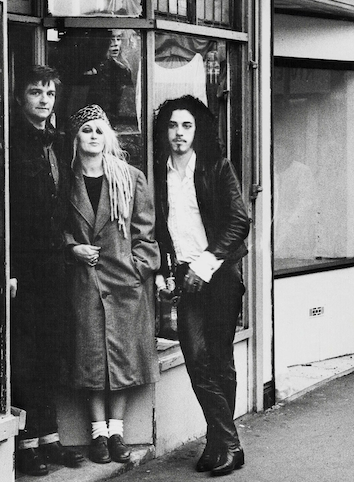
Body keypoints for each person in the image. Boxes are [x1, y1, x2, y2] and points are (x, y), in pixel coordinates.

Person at [153, 96, 250, 477]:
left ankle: (222, 443)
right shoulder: (158, 171)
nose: (179, 133)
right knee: (197, 359)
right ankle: (226, 442)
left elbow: (239, 221)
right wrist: (163, 270)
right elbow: (158, 228)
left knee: (220, 360)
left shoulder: (215, 166)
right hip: (184, 278)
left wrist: (206, 265)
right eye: (173, 126)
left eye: (187, 126)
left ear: (197, 131)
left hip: (220, 276)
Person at [65, 104, 159, 464]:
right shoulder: (65, 178)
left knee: (122, 360)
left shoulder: (130, 178)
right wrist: (71, 248)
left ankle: (117, 432)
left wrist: (138, 268)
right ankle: (97, 435)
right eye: (86, 129)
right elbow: (54, 226)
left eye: (98, 130)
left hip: (124, 282)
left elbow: (146, 232)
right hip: (84, 283)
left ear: (108, 137)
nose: (92, 135)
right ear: (76, 137)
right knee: (90, 360)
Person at [9, 65, 84, 476]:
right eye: (35, 92)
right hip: (24, 267)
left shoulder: (57, 143)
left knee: (51, 350)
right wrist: (10, 268)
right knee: (26, 354)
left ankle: (51, 437)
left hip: (55, 264)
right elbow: (1, 209)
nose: (43, 100)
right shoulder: (11, 141)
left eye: (49, 93)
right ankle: (26, 443)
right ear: (22, 97)